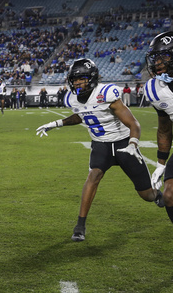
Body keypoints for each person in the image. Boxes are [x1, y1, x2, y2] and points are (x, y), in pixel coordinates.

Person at [36, 58, 163, 242]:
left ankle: (157, 194)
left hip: (123, 144)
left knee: (147, 196)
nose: (78, 82)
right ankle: (80, 225)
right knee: (93, 177)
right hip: (100, 145)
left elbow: (133, 123)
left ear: (92, 78)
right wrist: (56, 123)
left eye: (82, 78)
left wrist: (133, 144)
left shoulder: (106, 93)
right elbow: (82, 115)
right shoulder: (73, 98)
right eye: (75, 79)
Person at [145, 31, 173, 224]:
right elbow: (164, 128)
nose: (158, 63)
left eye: (163, 57)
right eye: (156, 58)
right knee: (169, 195)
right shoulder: (156, 89)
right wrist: (161, 163)